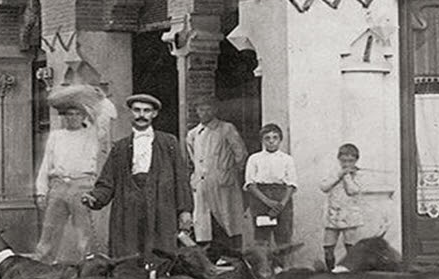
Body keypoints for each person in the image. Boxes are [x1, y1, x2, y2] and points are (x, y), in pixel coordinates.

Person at [82, 94, 193, 261]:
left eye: (147, 111)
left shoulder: (169, 143)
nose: (141, 115)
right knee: (128, 256)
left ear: (154, 114)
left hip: (160, 206)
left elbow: (180, 178)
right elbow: (107, 182)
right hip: (128, 208)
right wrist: (95, 197)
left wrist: (185, 210)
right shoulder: (119, 148)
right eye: (137, 110)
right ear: (130, 113)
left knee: (160, 256)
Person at [33, 103, 103, 263]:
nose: (72, 118)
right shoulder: (56, 136)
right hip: (59, 185)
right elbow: (46, 163)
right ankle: (41, 266)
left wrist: (91, 99)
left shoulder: (91, 134)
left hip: (82, 185)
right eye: (69, 114)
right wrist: (41, 190)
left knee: (83, 233)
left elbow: (101, 116)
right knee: (49, 230)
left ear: (84, 117)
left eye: (77, 114)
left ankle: (89, 268)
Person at [185, 97, 247, 262]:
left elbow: (240, 153)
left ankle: (231, 257)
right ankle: (208, 259)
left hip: (223, 183)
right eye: (201, 109)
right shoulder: (193, 134)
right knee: (203, 222)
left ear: (215, 110)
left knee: (227, 219)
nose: (204, 113)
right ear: (196, 111)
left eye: (208, 109)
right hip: (203, 184)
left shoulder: (226, 129)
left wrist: (229, 173)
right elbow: (194, 159)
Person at [244, 123, 297, 260]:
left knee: (283, 237)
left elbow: (291, 184)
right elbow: (250, 184)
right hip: (260, 199)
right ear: (262, 140)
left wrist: (281, 204)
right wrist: (267, 201)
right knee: (262, 238)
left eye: (275, 137)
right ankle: (265, 269)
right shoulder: (254, 159)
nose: (271, 141)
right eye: (267, 138)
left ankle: (283, 270)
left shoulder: (287, 159)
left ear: (280, 140)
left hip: (282, 198)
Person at [319, 143, 364, 270]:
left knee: (351, 247)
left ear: (356, 160)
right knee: (328, 247)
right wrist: (339, 175)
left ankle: (351, 273)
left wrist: (347, 176)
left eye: (350, 161)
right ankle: (330, 271)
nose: (347, 164)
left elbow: (352, 191)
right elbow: (324, 187)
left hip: (350, 214)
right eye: (344, 160)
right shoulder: (333, 172)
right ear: (339, 159)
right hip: (333, 214)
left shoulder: (359, 174)